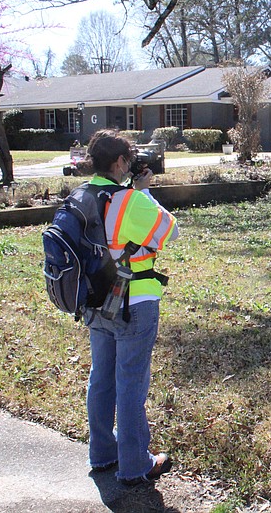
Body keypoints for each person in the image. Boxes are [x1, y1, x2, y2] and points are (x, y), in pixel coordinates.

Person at [83, 129, 179, 485]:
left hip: (93, 300)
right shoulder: (130, 200)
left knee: (101, 379)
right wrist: (145, 191)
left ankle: (102, 454)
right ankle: (137, 463)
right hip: (132, 302)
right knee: (131, 382)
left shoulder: (78, 196)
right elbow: (170, 231)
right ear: (121, 162)